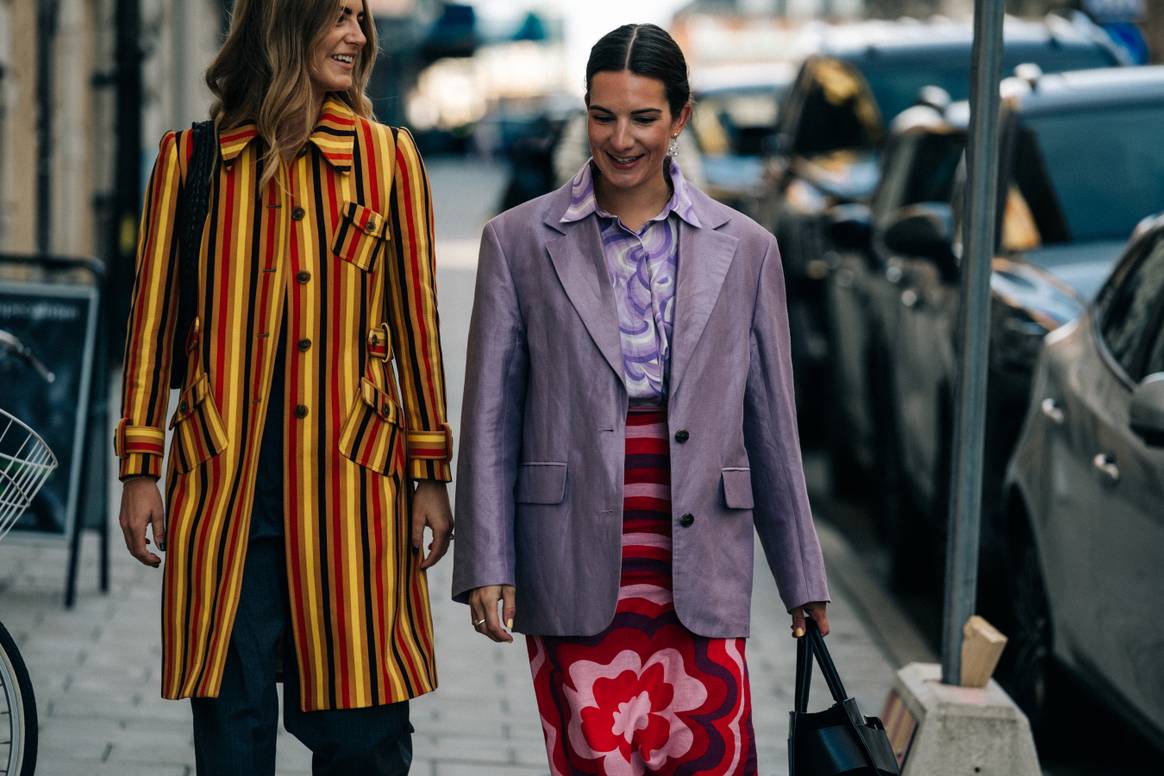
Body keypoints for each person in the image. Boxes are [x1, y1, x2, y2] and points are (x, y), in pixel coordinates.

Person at [453, 23, 830, 776]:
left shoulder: (746, 247)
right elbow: (489, 418)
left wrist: (803, 579)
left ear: (680, 117)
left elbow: (772, 428)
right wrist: (486, 561)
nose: (620, 139)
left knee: (713, 757)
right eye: (603, 115)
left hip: (704, 559)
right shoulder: (517, 241)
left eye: (643, 118)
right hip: (573, 557)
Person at [114, 1, 453, 773]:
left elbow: (418, 332)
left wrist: (430, 476)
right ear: (283, 23)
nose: (358, 37)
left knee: (365, 743)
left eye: (361, 19)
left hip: (353, 499)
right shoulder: (191, 161)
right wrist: (139, 468)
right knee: (231, 741)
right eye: (339, 16)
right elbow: (152, 327)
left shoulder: (389, 160)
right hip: (223, 494)